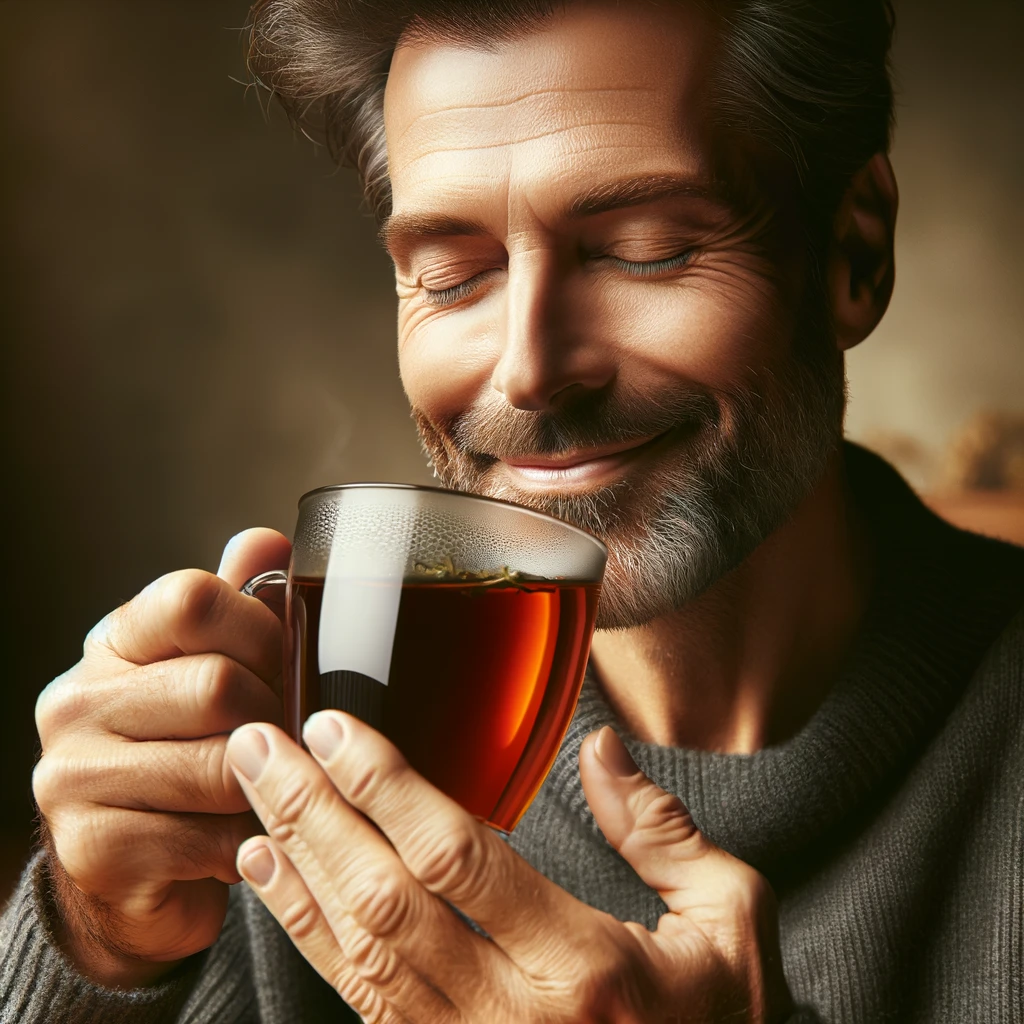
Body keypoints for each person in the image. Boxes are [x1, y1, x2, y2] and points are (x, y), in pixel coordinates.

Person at [2, 1, 1021, 1021]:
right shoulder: (295, 751)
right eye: (453, 277)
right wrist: (101, 945)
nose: (528, 371)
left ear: (853, 253)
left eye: (646, 248)